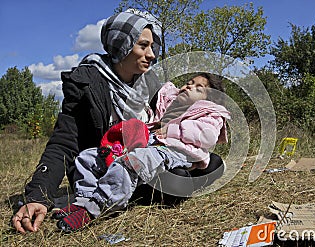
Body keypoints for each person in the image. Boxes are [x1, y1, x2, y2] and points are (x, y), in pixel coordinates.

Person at [12, 11, 225, 234]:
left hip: (145, 157)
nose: (151, 55)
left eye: (153, 46)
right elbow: (63, 143)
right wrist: (37, 195)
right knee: (177, 179)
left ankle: (129, 192)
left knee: (213, 163)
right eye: (143, 46)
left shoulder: (152, 85)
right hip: (104, 163)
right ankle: (95, 202)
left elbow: (186, 112)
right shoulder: (87, 83)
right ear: (121, 45)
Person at [52, 73, 230, 232]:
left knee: (130, 163)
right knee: (88, 157)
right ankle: (84, 199)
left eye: (199, 88)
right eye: (189, 82)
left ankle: (95, 208)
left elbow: (207, 137)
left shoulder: (210, 114)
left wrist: (172, 129)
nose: (190, 86)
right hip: (150, 146)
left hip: (175, 152)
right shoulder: (170, 103)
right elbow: (159, 94)